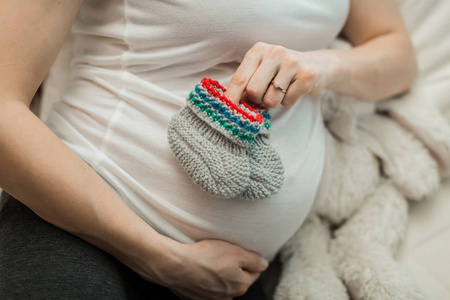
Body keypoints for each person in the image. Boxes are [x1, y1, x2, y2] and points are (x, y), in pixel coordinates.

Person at [0, 0, 417, 299]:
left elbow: (395, 51)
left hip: (237, 277)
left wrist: (325, 66)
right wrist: (157, 256)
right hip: (77, 234)